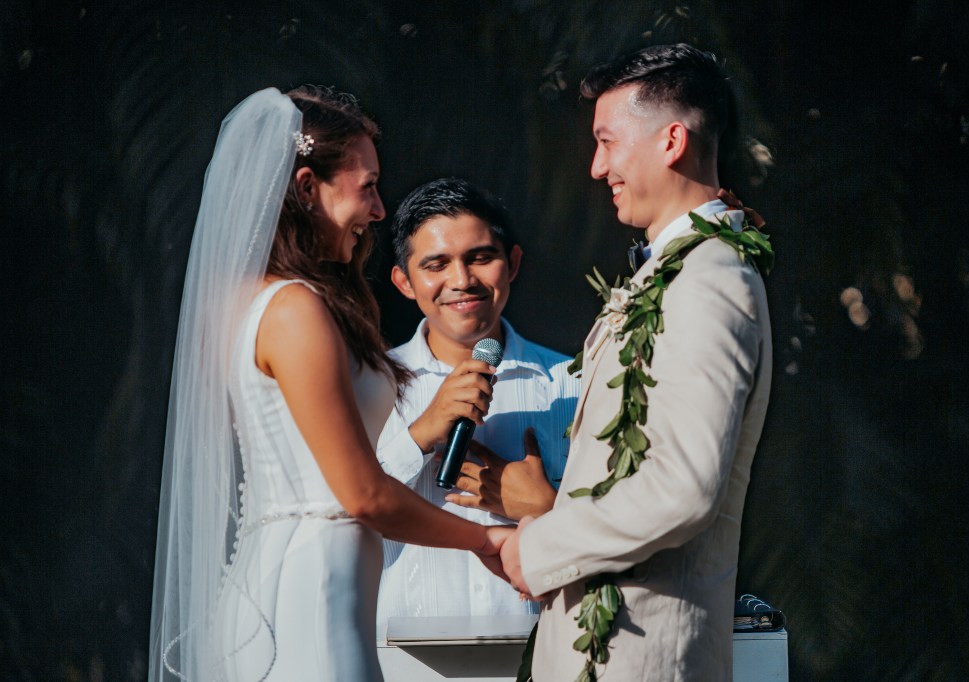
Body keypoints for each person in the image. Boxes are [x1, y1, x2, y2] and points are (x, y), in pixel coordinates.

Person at [148, 87, 511, 682]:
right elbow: (363, 495)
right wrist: (487, 542)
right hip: (310, 590)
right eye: (366, 186)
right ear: (306, 187)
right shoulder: (293, 311)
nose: (377, 210)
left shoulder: (267, 303)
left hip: (314, 584)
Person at [498, 44, 774, 681]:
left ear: (672, 140)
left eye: (607, 141)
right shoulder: (675, 271)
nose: (597, 167)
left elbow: (683, 487)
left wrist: (537, 547)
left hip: (640, 656)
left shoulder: (710, 278)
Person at [374, 177, 579, 639]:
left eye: (480, 257)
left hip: (542, 655)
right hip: (403, 661)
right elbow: (338, 516)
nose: (462, 280)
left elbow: (631, 525)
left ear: (513, 263)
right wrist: (419, 435)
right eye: (436, 264)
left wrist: (549, 508)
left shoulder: (577, 383)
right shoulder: (369, 385)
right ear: (404, 282)